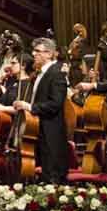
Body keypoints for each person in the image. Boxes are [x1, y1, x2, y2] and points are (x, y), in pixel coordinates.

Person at [13, 36, 69, 181]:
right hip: (39, 129)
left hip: (51, 133)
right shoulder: (40, 73)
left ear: (49, 54)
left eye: (38, 51)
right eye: (34, 51)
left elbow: (56, 103)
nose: (34, 54)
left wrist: (30, 107)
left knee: (52, 176)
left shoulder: (56, 73)